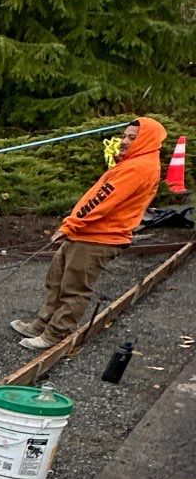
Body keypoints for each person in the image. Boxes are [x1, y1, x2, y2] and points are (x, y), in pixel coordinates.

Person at [10, 117, 167, 347]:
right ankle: (41, 324)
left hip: (99, 238)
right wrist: (73, 227)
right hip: (85, 232)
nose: (124, 141)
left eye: (132, 138)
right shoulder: (133, 162)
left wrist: (69, 225)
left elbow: (100, 202)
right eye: (124, 136)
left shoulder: (138, 168)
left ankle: (54, 335)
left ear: (146, 140)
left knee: (74, 289)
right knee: (56, 279)